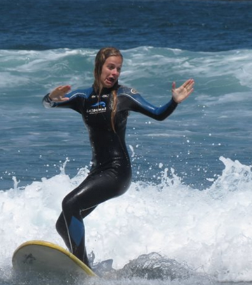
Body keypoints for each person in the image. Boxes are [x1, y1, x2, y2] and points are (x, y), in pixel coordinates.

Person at [42, 47, 194, 268]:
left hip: (117, 172)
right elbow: (48, 104)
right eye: (110, 67)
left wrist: (174, 101)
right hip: (97, 172)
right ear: (99, 67)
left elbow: (158, 114)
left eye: (118, 69)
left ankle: (81, 267)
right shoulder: (83, 97)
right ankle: (84, 266)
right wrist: (51, 97)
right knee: (62, 224)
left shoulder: (124, 95)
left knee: (70, 203)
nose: (114, 73)